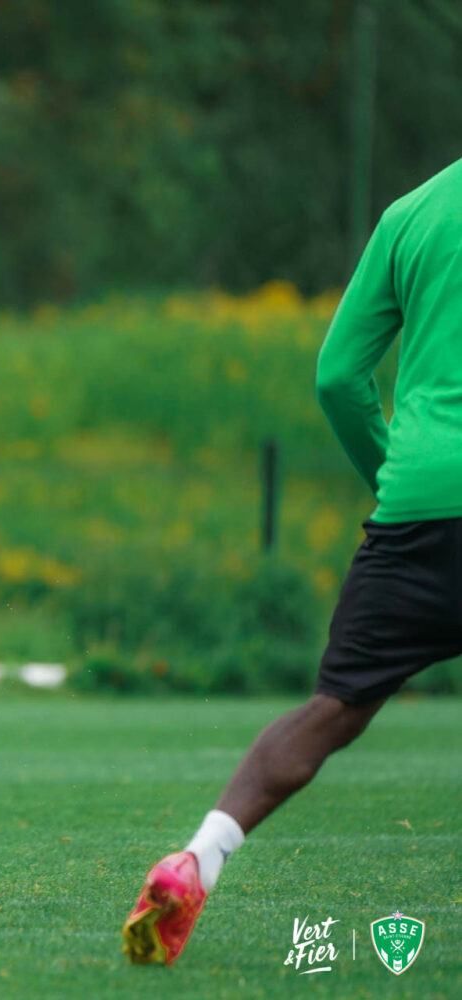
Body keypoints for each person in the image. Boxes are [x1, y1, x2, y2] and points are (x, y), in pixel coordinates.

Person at [123, 157, 462, 964]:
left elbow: (339, 377)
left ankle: (197, 858)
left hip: (418, 504)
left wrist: (394, 474)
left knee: (335, 708)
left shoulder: (413, 213)